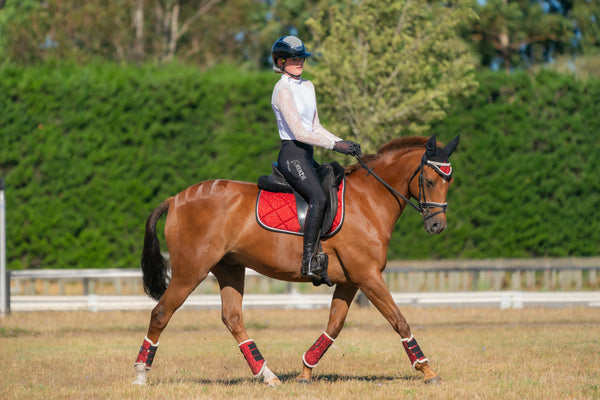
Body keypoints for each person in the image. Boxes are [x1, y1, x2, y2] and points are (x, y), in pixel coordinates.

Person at [270, 35, 361, 280]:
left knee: (334, 184)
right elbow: (299, 133)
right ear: (280, 62)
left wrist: (344, 142)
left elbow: (315, 126)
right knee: (319, 197)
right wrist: (336, 145)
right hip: (292, 156)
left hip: (306, 156)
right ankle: (309, 261)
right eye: (292, 59)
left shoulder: (308, 86)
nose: (298, 62)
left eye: (301, 57)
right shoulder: (282, 90)